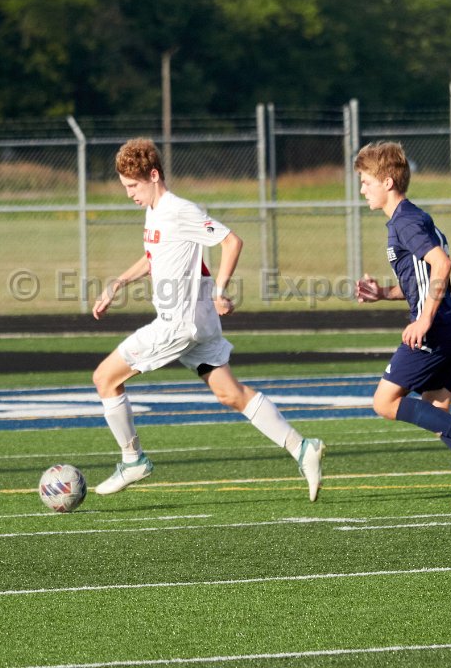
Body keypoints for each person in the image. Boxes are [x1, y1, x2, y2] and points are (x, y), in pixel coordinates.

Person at [90, 138, 325, 500]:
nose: (129, 194)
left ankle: (133, 460)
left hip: (177, 324)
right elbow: (154, 257)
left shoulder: (179, 210)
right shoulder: (154, 211)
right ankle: (303, 448)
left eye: (133, 186)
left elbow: (232, 242)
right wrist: (119, 282)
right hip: (197, 323)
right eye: (125, 187)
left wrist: (219, 291)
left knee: (105, 378)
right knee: (232, 394)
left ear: (154, 176)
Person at [353, 141, 451, 508]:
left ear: (388, 182)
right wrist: (384, 294)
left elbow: (442, 264)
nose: (362, 189)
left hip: (437, 326)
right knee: (436, 411)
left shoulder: (405, 221)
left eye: (366, 181)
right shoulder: (411, 217)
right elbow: (422, 278)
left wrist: (424, 318)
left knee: (384, 402)